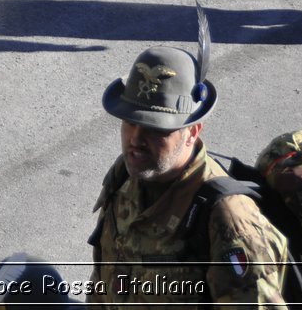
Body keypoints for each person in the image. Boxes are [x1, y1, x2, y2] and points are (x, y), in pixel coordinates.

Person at [88, 39, 289, 307]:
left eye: (157, 129)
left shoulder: (229, 220)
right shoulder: (125, 175)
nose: (136, 139)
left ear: (192, 132)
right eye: (130, 122)